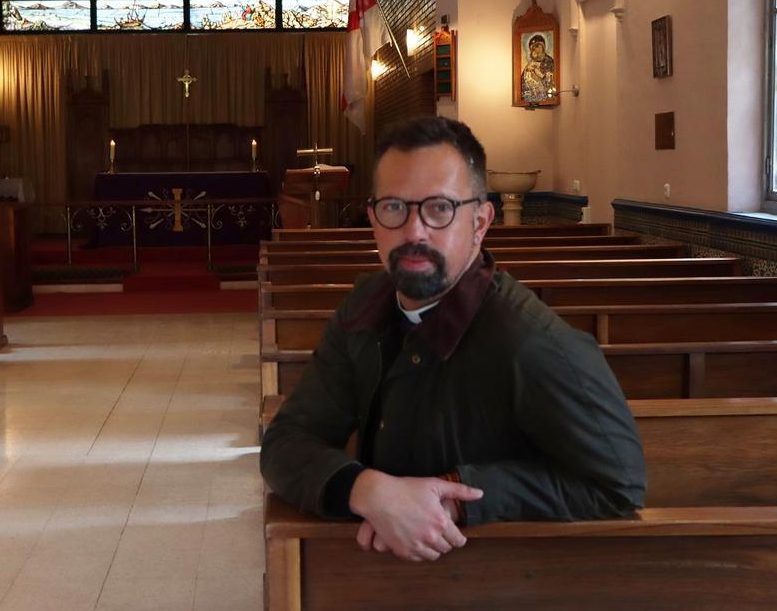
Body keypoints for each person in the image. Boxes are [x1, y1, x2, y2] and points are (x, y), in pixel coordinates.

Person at [260, 116, 646, 563]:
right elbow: (286, 441)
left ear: (480, 222)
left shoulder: (534, 344)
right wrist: (366, 490)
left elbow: (619, 484)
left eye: (440, 208)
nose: (413, 231)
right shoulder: (363, 309)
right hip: (378, 578)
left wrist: (454, 499)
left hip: (497, 582)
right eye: (393, 207)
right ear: (372, 218)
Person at [519, 34, 556, 102]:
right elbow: (522, 84)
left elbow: (550, 82)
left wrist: (537, 74)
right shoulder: (529, 65)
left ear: (543, 47)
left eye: (537, 46)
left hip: (544, 96)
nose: (536, 50)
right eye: (533, 48)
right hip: (530, 97)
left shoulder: (550, 62)